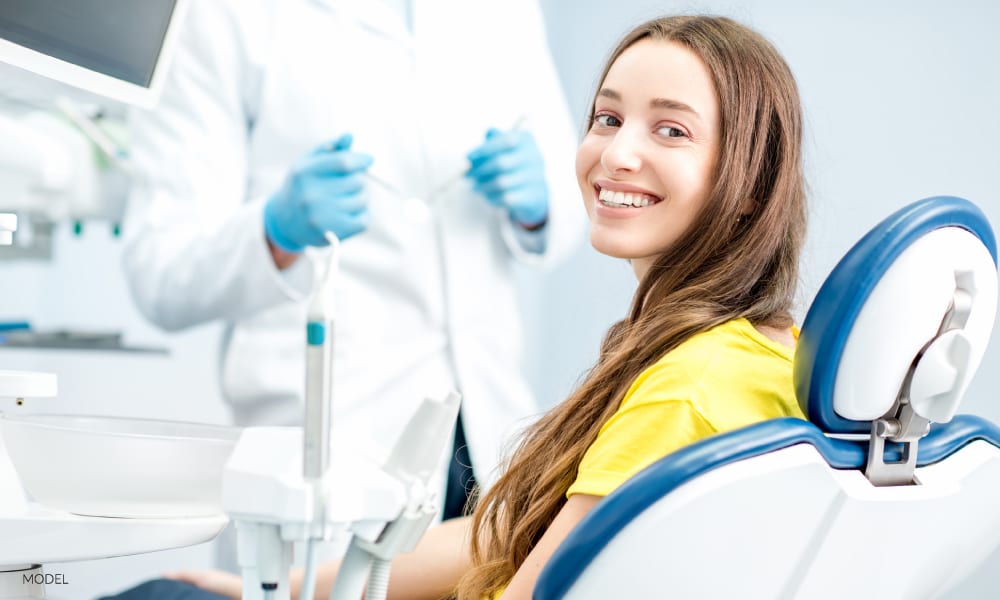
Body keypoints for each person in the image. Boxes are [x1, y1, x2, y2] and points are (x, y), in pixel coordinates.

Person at [105, 13, 806, 600]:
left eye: (670, 130)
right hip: (344, 421)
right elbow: (513, 529)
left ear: (751, 178)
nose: (617, 151)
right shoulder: (742, 353)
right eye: (606, 118)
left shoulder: (686, 388)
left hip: (483, 415)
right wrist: (274, 230)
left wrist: (538, 212)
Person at [120, 0, 583, 559]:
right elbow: (162, 269)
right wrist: (275, 231)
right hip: (326, 447)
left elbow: (570, 200)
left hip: (487, 433)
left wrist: (541, 205)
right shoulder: (219, 15)